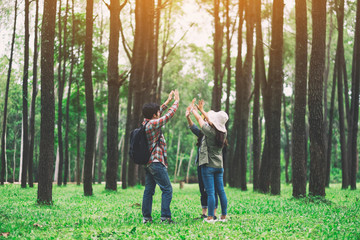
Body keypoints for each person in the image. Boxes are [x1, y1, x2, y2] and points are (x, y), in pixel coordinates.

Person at [142, 90, 180, 224]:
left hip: (149, 163)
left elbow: (159, 113)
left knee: (149, 190)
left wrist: (167, 101)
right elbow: (167, 116)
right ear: (154, 115)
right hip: (156, 162)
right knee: (167, 189)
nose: (159, 112)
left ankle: (146, 218)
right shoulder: (153, 124)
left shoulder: (146, 122)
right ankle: (165, 217)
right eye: (157, 112)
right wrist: (176, 102)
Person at [189, 99, 228, 223]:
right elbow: (211, 122)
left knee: (210, 192)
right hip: (219, 166)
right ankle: (223, 216)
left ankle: (210, 217)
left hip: (208, 166)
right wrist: (201, 110)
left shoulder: (209, 132)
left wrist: (193, 110)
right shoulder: (223, 133)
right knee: (221, 191)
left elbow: (200, 121)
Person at [185, 101, 219, 219]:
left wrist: (196, 110)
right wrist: (188, 117)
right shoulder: (203, 133)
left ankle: (213, 214)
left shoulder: (215, 133)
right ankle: (204, 213)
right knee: (202, 189)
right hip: (201, 163)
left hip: (210, 164)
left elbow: (199, 122)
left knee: (211, 189)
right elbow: (193, 127)